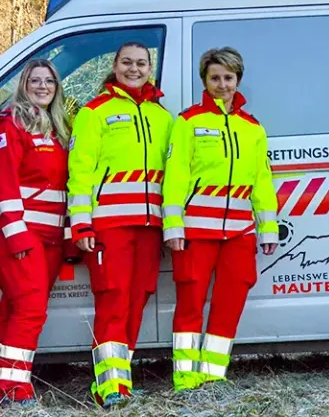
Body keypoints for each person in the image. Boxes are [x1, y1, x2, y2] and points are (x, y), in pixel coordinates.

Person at [162, 48, 279, 392]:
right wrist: (173, 226)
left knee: (231, 302)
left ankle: (213, 373)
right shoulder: (189, 121)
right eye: (215, 78)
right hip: (196, 230)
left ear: (237, 80)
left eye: (228, 78)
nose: (222, 84)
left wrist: (267, 226)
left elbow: (261, 180)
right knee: (190, 301)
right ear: (205, 81)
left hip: (239, 232)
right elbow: (176, 176)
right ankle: (185, 376)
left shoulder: (252, 128)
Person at [67, 42, 173, 407]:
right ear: (114, 66)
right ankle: (108, 387)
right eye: (126, 62)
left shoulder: (162, 116)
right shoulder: (94, 113)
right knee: (112, 302)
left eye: (141, 63)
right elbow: (79, 173)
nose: (134, 69)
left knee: (137, 300)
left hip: (150, 226)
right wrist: (81, 225)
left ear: (150, 67)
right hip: (109, 225)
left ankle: (120, 380)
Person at [0, 59, 71, 405]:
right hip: (17, 235)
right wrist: (16, 236)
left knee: (14, 309)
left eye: (49, 81)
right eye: (35, 80)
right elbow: (4, 185)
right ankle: (16, 391)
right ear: (23, 85)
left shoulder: (57, 126)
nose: (43, 86)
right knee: (31, 309)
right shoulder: (11, 123)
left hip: (48, 237)